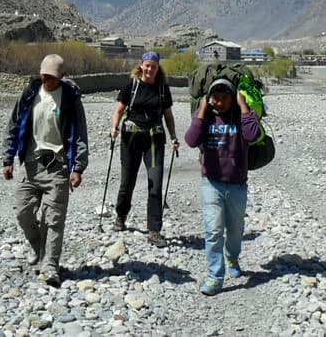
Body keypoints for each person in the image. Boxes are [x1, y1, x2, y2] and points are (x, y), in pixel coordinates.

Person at [1, 54, 89, 288]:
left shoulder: (70, 100)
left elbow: (80, 135)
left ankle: (50, 267)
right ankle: (39, 247)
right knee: (23, 212)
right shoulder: (30, 94)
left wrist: (78, 167)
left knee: (53, 220)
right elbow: (13, 125)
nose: (46, 80)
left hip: (58, 167)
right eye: (43, 76)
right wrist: (7, 159)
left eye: (50, 77)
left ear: (61, 76)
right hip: (30, 163)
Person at [183, 77, 261, 296]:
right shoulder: (206, 117)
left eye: (224, 98)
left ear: (232, 97)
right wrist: (201, 110)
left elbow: (253, 135)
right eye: (215, 98)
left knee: (235, 231)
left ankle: (232, 258)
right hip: (211, 184)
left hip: (237, 185)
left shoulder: (241, 116)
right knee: (214, 230)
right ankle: (215, 276)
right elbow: (190, 140)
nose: (219, 102)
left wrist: (243, 105)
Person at [108, 51, 179, 246]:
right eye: (147, 65)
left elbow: (168, 116)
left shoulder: (163, 89)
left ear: (158, 68)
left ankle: (154, 230)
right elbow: (119, 110)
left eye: (153, 66)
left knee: (155, 185)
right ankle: (120, 216)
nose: (149, 69)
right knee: (127, 182)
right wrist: (114, 127)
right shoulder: (131, 86)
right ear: (141, 66)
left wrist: (173, 136)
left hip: (154, 140)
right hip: (130, 139)